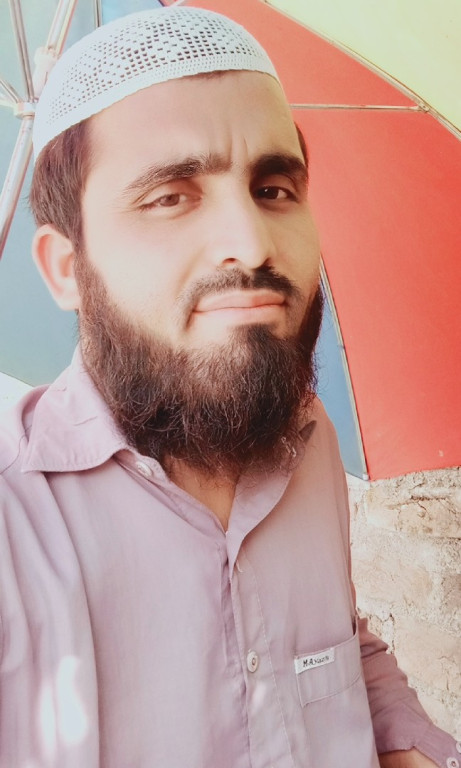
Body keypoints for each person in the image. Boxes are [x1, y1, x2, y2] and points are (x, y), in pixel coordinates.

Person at [0, 7, 458, 768]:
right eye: (170, 196)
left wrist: (405, 743)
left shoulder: (308, 438)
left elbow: (334, 644)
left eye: (274, 189)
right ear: (66, 268)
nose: (251, 244)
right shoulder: (17, 526)